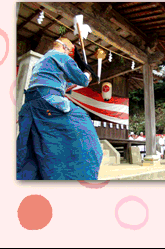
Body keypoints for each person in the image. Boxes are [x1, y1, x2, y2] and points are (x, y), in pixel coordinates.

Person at [16, 36, 103, 180]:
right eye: (70, 53)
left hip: (32, 105)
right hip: (48, 103)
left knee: (34, 145)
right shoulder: (61, 56)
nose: (70, 56)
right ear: (65, 48)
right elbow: (82, 80)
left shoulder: (43, 60)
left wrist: (73, 83)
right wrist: (87, 74)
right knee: (84, 127)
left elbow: (56, 84)